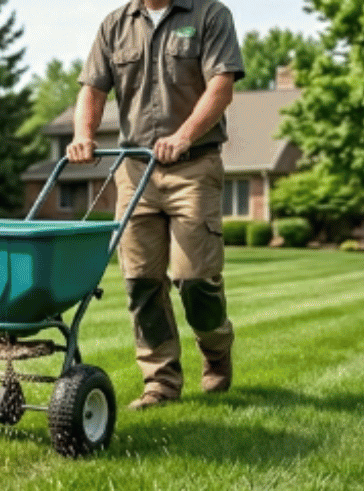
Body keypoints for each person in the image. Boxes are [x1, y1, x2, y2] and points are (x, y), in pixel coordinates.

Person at [70, 0, 243, 408]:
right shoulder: (115, 25)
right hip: (134, 171)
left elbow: (221, 85)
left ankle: (216, 348)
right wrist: (83, 133)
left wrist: (184, 135)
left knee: (195, 278)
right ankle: (160, 382)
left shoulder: (209, 15)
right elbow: (92, 88)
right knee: (140, 281)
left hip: (193, 166)